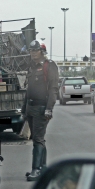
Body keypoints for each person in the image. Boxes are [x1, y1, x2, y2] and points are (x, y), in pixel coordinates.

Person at [22, 40, 59, 181]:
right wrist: (24, 109)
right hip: (31, 107)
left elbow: (53, 89)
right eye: (31, 50)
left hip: (41, 107)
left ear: (42, 51)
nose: (33, 53)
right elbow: (28, 90)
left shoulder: (49, 66)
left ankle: (36, 169)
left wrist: (49, 108)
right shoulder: (31, 67)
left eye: (35, 50)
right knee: (37, 139)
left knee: (38, 139)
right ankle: (42, 168)